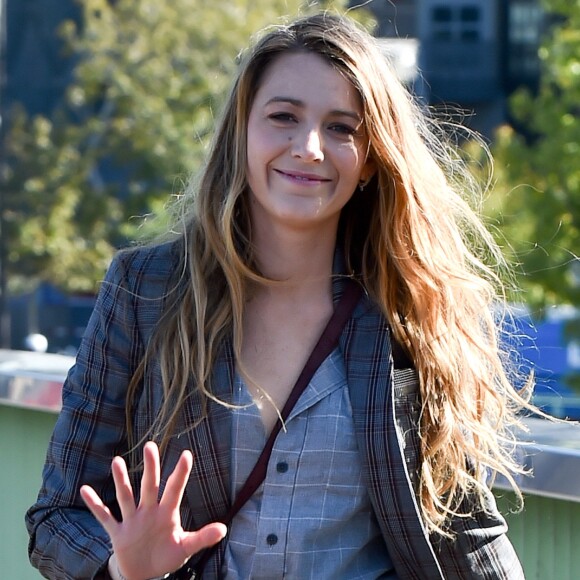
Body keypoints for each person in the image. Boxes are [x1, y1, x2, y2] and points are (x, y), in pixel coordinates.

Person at [26, 12, 529, 580]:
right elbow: (56, 519)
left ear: (370, 160)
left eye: (343, 128)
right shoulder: (147, 290)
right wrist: (123, 568)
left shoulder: (410, 310)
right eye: (283, 117)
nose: (309, 147)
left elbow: (466, 532)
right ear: (242, 132)